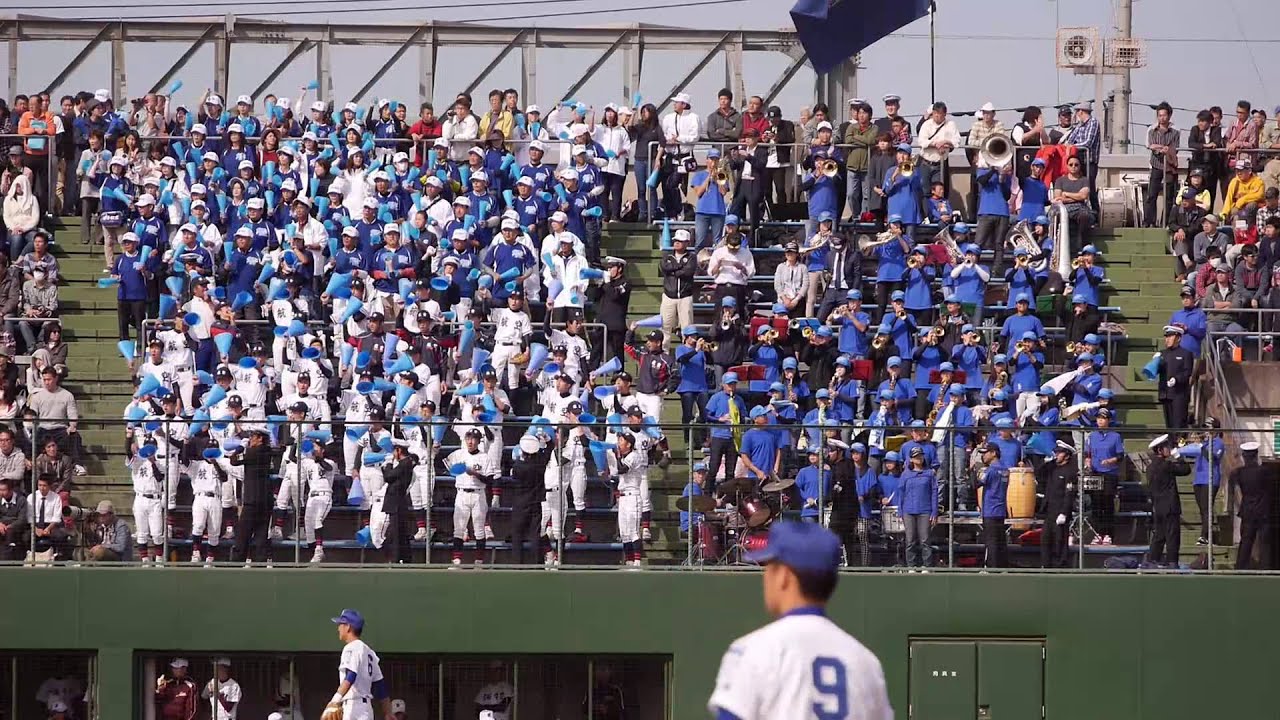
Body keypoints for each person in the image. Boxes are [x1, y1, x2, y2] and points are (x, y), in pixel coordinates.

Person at [706, 521, 892, 720]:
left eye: (768, 566)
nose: (764, 575)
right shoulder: (866, 663)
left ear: (784, 576)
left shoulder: (753, 651)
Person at [327, 608, 395, 720]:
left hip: (353, 707)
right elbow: (380, 685)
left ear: (348, 627)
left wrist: (334, 700)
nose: (338, 628)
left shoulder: (351, 647)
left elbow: (351, 675)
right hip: (366, 710)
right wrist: (388, 712)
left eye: (340, 624)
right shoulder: (369, 652)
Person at [229, 428, 273, 565]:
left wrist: (240, 448)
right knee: (261, 534)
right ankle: (260, 564)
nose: (250, 439)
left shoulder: (253, 452)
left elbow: (233, 461)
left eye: (253, 436)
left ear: (260, 438)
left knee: (243, 533)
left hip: (252, 499)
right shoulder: (268, 452)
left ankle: (237, 563)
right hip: (266, 500)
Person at [1146, 434, 1189, 567]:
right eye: (1166, 447)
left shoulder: (1150, 467)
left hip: (1158, 506)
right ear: (1159, 450)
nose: (1169, 449)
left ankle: (1153, 560)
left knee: (1159, 535)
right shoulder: (1166, 465)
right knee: (1172, 536)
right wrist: (1178, 456)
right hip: (1170, 507)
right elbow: (1186, 470)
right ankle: (1172, 562)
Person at [510, 434, 551, 565]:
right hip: (535, 502)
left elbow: (513, 477)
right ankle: (537, 564)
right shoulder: (540, 463)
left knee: (517, 535)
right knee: (535, 534)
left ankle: (517, 564)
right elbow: (550, 449)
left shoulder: (518, 466)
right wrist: (547, 440)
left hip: (520, 503)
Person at [1233, 442, 1272, 570]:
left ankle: (1240, 567)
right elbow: (1269, 488)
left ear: (1244, 456)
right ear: (1256, 455)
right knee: (1265, 542)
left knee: (1246, 542)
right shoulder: (1264, 471)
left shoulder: (1239, 473)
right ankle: (1265, 569)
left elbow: (1233, 483)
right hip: (1263, 511)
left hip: (1247, 511)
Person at [1040, 441, 1078, 568]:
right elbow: (1039, 473)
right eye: (1056, 452)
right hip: (1049, 510)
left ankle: (1060, 566)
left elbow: (1069, 494)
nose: (1056, 455)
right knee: (1045, 540)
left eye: (1059, 453)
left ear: (1066, 455)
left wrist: (1064, 512)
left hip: (1060, 511)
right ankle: (1046, 564)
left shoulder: (1069, 472)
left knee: (1059, 541)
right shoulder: (1053, 468)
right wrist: (1049, 462)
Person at [899, 446, 937, 569]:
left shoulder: (930, 473)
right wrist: (901, 512)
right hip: (908, 511)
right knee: (910, 540)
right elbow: (901, 493)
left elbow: (934, 493)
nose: (918, 458)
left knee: (925, 540)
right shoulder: (905, 475)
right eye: (915, 456)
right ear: (911, 459)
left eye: (920, 455)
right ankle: (911, 566)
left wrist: (934, 512)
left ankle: (927, 566)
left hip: (925, 511)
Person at [1144, 102, 1180, 227]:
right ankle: (1149, 221)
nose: (1162, 118)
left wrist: (1165, 149)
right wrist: (1162, 148)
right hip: (1156, 164)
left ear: (1169, 116)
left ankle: (1166, 222)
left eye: (1164, 115)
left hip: (1169, 167)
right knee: (1151, 195)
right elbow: (1151, 146)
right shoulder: (1152, 130)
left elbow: (1174, 148)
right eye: (1159, 115)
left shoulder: (1175, 132)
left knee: (1169, 196)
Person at [659, 229, 697, 344]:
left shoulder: (691, 257)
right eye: (676, 240)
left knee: (687, 328)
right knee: (665, 327)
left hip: (685, 297)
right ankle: (663, 354)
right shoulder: (667, 256)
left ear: (687, 243)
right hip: (669, 296)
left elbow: (688, 272)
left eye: (680, 241)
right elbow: (664, 268)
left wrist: (673, 270)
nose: (677, 243)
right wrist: (680, 266)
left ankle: (687, 352)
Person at [974, 443, 1008, 568]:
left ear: (994, 453)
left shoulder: (991, 470)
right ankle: (1002, 567)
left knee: (991, 542)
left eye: (986, 452)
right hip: (1000, 509)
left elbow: (977, 482)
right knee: (1000, 541)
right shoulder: (1005, 469)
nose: (984, 456)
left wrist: (975, 469)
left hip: (990, 510)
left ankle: (990, 567)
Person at [1157, 325, 1194, 430]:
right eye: (1166, 337)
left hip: (1179, 394)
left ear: (1178, 338)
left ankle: (1178, 443)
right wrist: (1155, 362)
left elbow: (1187, 372)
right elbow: (1156, 371)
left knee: (1178, 423)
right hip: (1166, 393)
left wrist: (1177, 379)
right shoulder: (1163, 353)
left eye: (1170, 336)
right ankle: (1170, 443)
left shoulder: (1185, 354)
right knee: (1169, 424)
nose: (1167, 339)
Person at [0, 477, 29, 561]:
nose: (1, 492)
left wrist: (9, 527)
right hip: (1, 526)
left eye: (3, 490)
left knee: (10, 535)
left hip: (16, 527)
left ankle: (6, 562)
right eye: (0, 490)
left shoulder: (21, 500)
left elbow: (22, 519)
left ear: (11, 490)